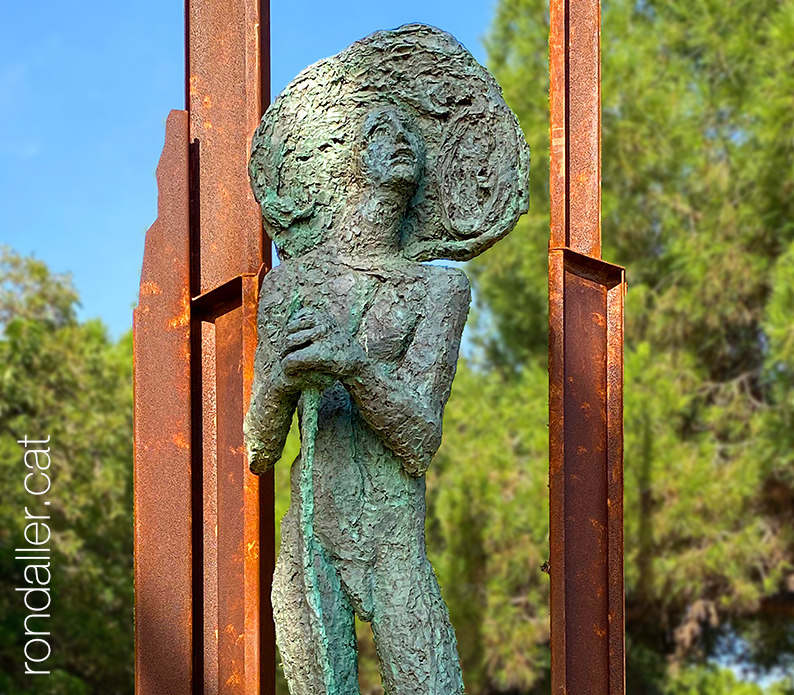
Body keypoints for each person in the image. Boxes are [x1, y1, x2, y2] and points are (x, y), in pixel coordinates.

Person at [244, 104, 469, 695]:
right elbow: (258, 446)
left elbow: (420, 437)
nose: (402, 144)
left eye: (412, 137)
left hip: (393, 542)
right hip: (312, 539)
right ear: (347, 162)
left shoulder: (438, 287)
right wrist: (285, 376)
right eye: (381, 132)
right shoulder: (294, 281)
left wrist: (353, 364)